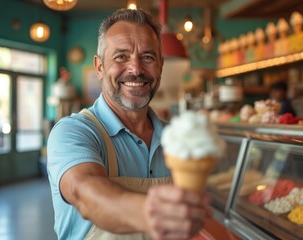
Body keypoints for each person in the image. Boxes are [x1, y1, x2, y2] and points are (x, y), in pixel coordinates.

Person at [47, 8, 211, 240]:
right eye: (121, 56)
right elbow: (85, 192)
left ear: (161, 66)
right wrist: (153, 213)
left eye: (147, 57)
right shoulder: (74, 131)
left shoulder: (177, 139)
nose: (135, 69)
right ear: (99, 66)